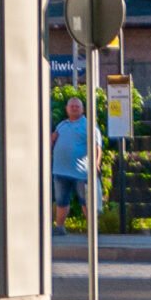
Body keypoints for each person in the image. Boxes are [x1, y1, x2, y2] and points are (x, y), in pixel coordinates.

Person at [50, 95, 92, 223]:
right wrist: (51, 139)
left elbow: (96, 146)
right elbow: (51, 143)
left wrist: (96, 163)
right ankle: (60, 227)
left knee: (86, 201)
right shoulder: (61, 125)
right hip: (60, 171)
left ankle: (92, 229)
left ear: (82, 109)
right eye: (71, 106)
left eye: (77, 106)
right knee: (61, 201)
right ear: (66, 109)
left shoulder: (88, 125)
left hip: (80, 172)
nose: (74, 108)